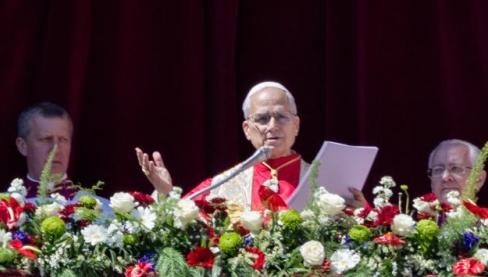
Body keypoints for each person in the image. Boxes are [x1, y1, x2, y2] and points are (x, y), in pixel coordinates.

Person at [136, 81, 365, 215]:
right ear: (247, 129)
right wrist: (165, 193)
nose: (272, 126)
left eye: (281, 117)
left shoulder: (328, 181)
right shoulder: (222, 185)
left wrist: (362, 211)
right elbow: (179, 220)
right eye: (263, 119)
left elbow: (367, 233)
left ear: (296, 125)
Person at [15, 102, 79, 200]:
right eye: (45, 139)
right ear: (23, 146)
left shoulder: (99, 210)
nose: (55, 150)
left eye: (63, 140)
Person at [427, 139, 486, 203]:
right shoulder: (415, 212)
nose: (445, 177)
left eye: (455, 168)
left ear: (479, 179)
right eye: (438, 170)